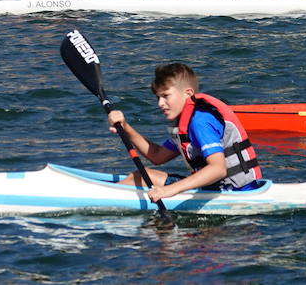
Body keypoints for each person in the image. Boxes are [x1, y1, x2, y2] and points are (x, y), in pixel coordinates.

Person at [106, 62, 263, 203]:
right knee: (139, 176)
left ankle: (100, 198)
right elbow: (157, 156)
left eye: (166, 96)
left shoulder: (200, 122)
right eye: (158, 97)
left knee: (138, 178)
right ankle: (102, 195)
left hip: (233, 193)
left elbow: (218, 169)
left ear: (188, 93)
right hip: (215, 188)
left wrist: (170, 190)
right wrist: (126, 128)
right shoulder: (185, 122)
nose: (160, 103)